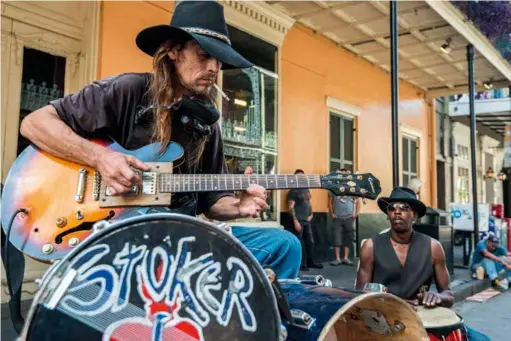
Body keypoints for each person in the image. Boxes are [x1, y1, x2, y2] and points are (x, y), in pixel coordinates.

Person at [18, 1, 301, 279]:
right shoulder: (129, 90)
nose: (214, 68)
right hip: (118, 229)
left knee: (285, 245)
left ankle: (233, 321)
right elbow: (35, 124)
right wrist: (101, 158)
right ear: (174, 52)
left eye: (219, 60)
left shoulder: (207, 124)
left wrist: (237, 206)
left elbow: (211, 202)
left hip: (178, 232)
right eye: (205, 55)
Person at [356, 187, 490, 341]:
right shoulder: (371, 246)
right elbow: (358, 297)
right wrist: (389, 304)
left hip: (421, 319)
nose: (397, 212)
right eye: (392, 208)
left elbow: (449, 296)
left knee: (481, 339)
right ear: (388, 215)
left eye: (405, 208)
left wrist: (437, 296)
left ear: (415, 216)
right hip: (382, 319)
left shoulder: (433, 247)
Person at [287, 169, 323, 271]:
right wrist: (295, 221)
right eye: (298, 176)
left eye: (302, 176)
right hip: (298, 219)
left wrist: (311, 214)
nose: (300, 178)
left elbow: (309, 202)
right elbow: (290, 207)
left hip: (306, 220)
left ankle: (310, 262)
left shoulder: (306, 189)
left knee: (310, 242)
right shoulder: (292, 191)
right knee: (299, 243)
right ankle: (300, 265)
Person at [328, 168, 361, 266]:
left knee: (348, 237)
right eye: (343, 175)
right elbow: (329, 202)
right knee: (337, 237)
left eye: (347, 175)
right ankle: (337, 259)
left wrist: (357, 213)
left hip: (349, 217)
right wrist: (332, 213)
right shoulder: (334, 187)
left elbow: (358, 201)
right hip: (337, 217)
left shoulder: (352, 188)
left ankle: (346, 258)